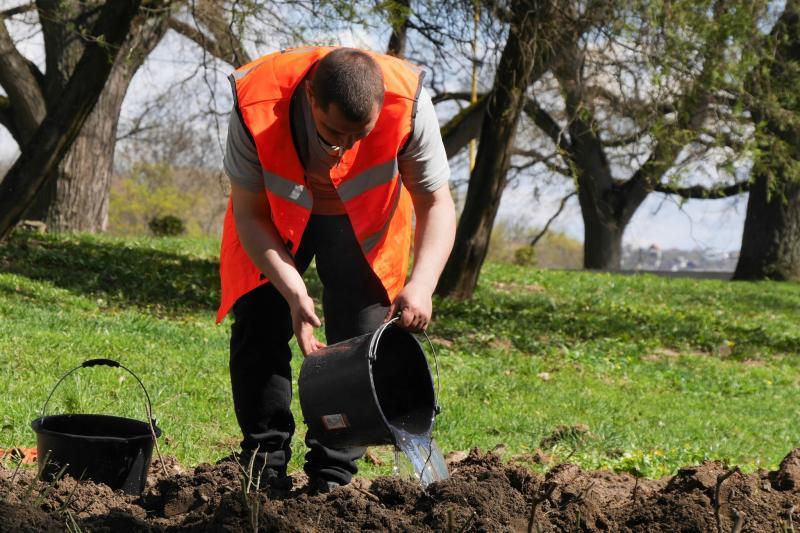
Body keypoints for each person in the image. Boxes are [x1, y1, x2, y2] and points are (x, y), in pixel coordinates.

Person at [217, 46, 456, 493]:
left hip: (363, 222)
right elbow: (248, 213)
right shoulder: (254, 102)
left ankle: (332, 480)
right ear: (310, 96)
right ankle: (264, 468)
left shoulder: (409, 104)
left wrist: (422, 285)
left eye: (358, 135)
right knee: (258, 325)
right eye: (331, 133)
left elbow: (436, 202)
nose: (343, 149)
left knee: (360, 343)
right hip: (273, 218)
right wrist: (293, 291)